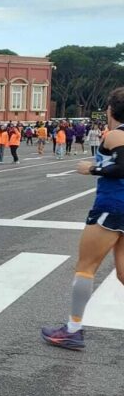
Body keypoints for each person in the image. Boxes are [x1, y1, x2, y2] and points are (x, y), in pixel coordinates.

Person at [42, 89, 124, 350]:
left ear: (110, 109)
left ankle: (73, 329)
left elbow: (122, 167)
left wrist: (92, 169)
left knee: (85, 267)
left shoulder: (116, 134)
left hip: (111, 207)